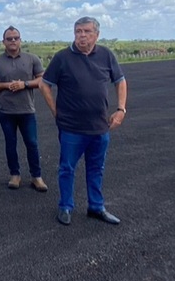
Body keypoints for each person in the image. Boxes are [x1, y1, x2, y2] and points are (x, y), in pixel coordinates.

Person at [40, 17, 127, 226]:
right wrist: (56, 111)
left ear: (96, 34)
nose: (82, 35)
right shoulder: (63, 57)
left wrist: (121, 109)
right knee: (67, 168)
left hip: (99, 126)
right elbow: (44, 85)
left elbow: (120, 81)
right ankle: (66, 206)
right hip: (71, 128)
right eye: (78, 31)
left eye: (87, 31)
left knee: (97, 168)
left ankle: (96, 207)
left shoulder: (106, 55)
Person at [0, 26, 48, 192]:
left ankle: (36, 176)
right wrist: (7, 85)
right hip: (6, 111)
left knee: (32, 143)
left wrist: (24, 84)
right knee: (10, 144)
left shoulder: (32, 59)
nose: (13, 41)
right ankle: (15, 174)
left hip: (27, 110)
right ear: (3, 42)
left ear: (20, 40)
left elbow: (42, 80)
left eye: (16, 38)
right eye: (9, 38)